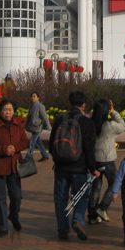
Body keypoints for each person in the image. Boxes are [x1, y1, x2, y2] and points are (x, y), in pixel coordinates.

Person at [49, 91, 99, 241]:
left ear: (69, 103)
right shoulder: (86, 122)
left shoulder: (59, 119)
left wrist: (57, 158)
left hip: (60, 167)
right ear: (83, 105)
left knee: (60, 198)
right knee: (81, 196)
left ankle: (63, 229)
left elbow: (52, 142)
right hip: (79, 167)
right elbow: (89, 149)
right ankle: (77, 220)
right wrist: (92, 168)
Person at [0, 98, 29, 238]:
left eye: (10, 110)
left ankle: (13, 216)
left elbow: (25, 141)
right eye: (4, 110)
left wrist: (15, 148)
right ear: (0, 111)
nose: (7, 113)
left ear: (14, 111)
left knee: (17, 196)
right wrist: (3, 150)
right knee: (0, 197)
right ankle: (3, 226)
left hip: (14, 167)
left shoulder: (18, 126)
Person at [88, 99, 125, 224]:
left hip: (94, 159)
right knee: (114, 182)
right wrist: (113, 111)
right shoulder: (109, 126)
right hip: (107, 159)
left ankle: (92, 215)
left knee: (96, 187)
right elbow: (123, 125)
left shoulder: (91, 123)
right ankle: (102, 207)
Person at [22, 91, 51, 162]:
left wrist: (48, 126)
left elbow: (45, 117)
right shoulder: (31, 106)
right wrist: (24, 126)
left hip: (37, 127)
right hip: (32, 127)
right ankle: (45, 156)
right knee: (38, 142)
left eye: (34, 96)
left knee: (32, 142)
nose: (32, 98)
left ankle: (27, 157)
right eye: (32, 96)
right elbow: (28, 117)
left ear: (38, 98)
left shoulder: (40, 106)